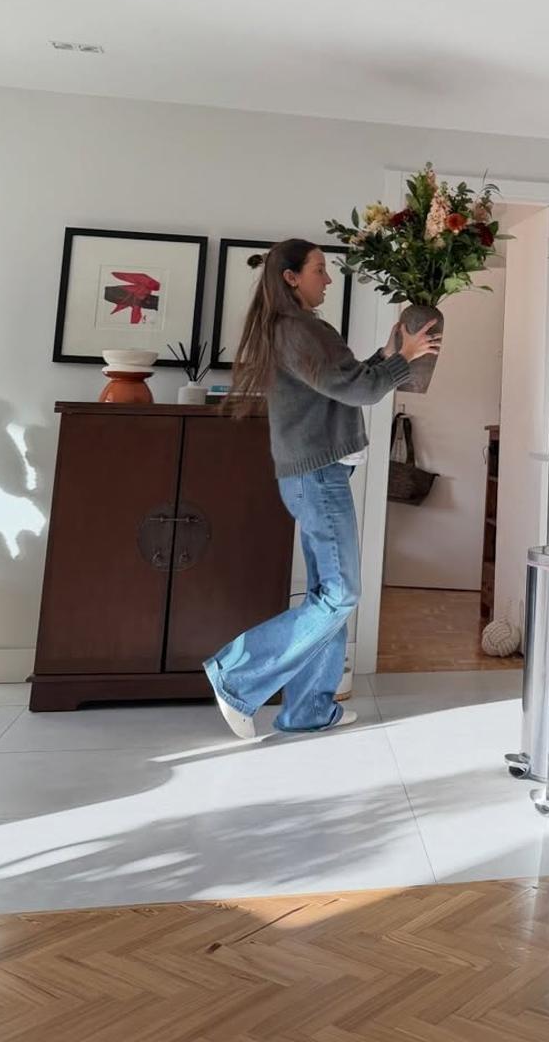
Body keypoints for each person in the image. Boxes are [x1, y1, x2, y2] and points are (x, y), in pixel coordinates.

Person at [203, 238, 440, 739]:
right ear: (291, 277)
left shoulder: (297, 329)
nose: (327, 279)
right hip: (318, 476)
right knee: (340, 593)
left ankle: (310, 708)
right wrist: (406, 359)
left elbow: (344, 378)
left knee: (326, 593)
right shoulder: (298, 329)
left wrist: (391, 353)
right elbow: (360, 389)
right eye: (319, 270)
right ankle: (235, 674)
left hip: (317, 475)